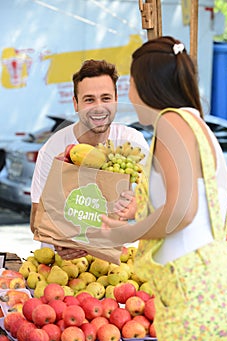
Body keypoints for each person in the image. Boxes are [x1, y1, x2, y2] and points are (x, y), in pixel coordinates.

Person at [90, 36, 227, 341]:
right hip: (205, 289)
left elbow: (183, 211)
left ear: (143, 83)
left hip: (190, 292)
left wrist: (124, 234)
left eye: (129, 83)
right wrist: (141, 210)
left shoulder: (171, 122)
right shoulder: (196, 125)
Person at [30, 59, 149, 256]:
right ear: (75, 104)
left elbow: (159, 203)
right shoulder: (53, 149)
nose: (99, 107)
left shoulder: (131, 143)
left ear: (116, 100)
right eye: (89, 100)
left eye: (105, 98)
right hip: (63, 266)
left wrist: (137, 206)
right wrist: (63, 244)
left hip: (114, 264)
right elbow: (37, 219)